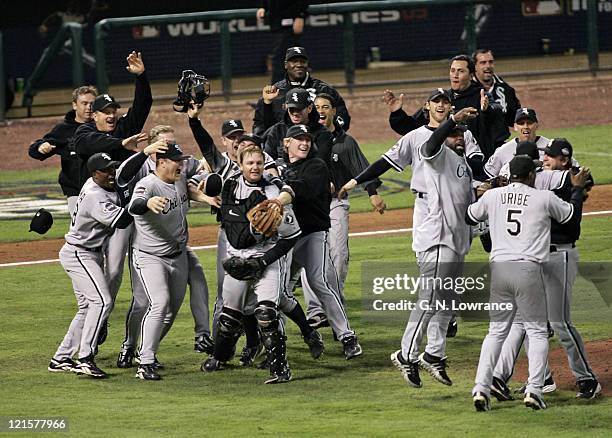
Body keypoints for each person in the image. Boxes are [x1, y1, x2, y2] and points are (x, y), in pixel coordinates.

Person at [341, 107, 479, 387]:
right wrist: (451, 121)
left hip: (457, 238)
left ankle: (434, 353)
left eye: (460, 134)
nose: (458, 138)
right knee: (430, 298)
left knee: (447, 300)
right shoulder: (436, 154)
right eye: (453, 135)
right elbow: (430, 145)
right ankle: (406, 353)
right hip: (437, 237)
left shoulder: (462, 165)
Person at [188, 105, 322, 365]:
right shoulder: (226, 176)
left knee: (270, 306)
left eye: (242, 138)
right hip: (235, 243)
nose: (254, 164)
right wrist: (193, 120)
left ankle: (287, 352)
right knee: (233, 308)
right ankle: (230, 353)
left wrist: (284, 197)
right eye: (234, 139)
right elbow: (206, 148)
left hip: (269, 253)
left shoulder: (270, 178)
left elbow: (289, 223)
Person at [466, 155, 590, 411]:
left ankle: (480, 387)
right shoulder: (542, 197)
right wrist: (576, 189)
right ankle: (534, 390)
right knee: (536, 331)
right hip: (528, 269)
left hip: (499, 269)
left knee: (496, 332)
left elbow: (469, 216)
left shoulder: (493, 196)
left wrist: (487, 192)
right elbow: (570, 216)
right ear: (531, 176)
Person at [490, 139, 601, 402]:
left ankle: (587, 379)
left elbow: (583, 184)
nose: (545, 160)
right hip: (535, 259)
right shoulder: (549, 180)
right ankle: (508, 378)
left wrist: (576, 188)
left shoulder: (565, 180)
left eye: (550, 157)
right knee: (522, 322)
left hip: (560, 255)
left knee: (560, 322)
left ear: (563, 161)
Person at [114, 125, 217, 369]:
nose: (180, 164)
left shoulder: (178, 178)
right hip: (149, 256)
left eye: (180, 159)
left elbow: (190, 185)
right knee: (153, 303)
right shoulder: (147, 182)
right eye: (174, 160)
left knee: (169, 311)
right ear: (160, 161)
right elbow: (135, 204)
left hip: (178, 254)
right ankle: (139, 356)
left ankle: (145, 352)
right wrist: (147, 202)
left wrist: (204, 196)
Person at [202, 145, 302, 383]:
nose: (255, 167)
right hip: (237, 258)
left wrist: (264, 261)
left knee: (266, 313)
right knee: (229, 317)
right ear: (241, 164)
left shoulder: (274, 193)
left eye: (259, 163)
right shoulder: (230, 186)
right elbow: (229, 224)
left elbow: (291, 235)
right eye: (250, 163)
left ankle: (280, 369)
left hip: (266, 259)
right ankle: (220, 357)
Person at [72, 51, 152, 341]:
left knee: (116, 268)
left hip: (120, 213)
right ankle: (96, 312)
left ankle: (102, 319)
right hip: (94, 216)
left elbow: (143, 106)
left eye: (114, 111)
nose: (111, 115)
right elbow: (91, 143)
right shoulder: (83, 133)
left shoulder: (123, 128)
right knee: (98, 270)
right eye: (105, 111)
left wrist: (141, 77)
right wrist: (121, 142)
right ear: (94, 115)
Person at [301, 93, 386, 328]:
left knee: (339, 254)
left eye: (325, 107)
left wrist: (373, 194)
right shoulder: (304, 140)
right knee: (311, 256)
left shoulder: (344, 142)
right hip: (309, 206)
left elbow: (362, 168)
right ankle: (315, 310)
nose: (320, 110)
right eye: (316, 107)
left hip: (335, 204)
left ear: (333, 112)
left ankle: (333, 301)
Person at [48, 152, 133, 378]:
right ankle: (85, 357)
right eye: (106, 170)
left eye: (113, 168)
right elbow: (123, 220)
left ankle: (61, 357)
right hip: (79, 254)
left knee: (87, 308)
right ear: (95, 174)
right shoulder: (95, 195)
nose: (111, 173)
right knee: (102, 301)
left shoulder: (95, 184)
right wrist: (140, 200)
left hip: (88, 253)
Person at [282, 124, 362, 359]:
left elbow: (302, 189)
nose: (304, 143)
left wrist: (281, 195)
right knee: (278, 290)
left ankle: (347, 336)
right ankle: (281, 339)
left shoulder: (317, 166)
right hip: (287, 239)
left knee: (320, 282)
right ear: (287, 143)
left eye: (307, 139)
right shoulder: (279, 167)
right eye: (299, 139)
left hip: (311, 235)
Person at [384, 55, 503, 162]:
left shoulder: (481, 97)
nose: (455, 75)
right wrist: (397, 113)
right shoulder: (442, 99)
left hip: (476, 165)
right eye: (452, 71)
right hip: (446, 165)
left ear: (471, 75)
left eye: (460, 71)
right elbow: (411, 127)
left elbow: (496, 115)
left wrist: (486, 110)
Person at [28, 85, 97, 215]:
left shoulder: (102, 126)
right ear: (75, 105)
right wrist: (41, 147)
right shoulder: (63, 130)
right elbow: (33, 150)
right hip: (75, 190)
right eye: (84, 103)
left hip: (102, 188)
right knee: (80, 229)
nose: (89, 107)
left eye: (92, 103)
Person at [253, 47, 351, 137]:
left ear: (307, 64)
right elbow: (260, 127)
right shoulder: (274, 93)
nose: (299, 65)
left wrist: (329, 137)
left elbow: (343, 118)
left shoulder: (324, 90)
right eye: (294, 61)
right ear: (286, 65)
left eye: (302, 61)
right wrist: (267, 104)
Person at [263, 87, 334, 167]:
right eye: (291, 109)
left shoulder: (323, 133)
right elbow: (267, 160)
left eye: (299, 109)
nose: (295, 113)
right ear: (286, 107)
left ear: (309, 108)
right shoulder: (277, 130)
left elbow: (320, 165)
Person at [472, 49, 521, 149]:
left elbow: (514, 118)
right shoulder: (468, 90)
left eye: (490, 62)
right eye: (483, 63)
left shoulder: (506, 89)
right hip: (475, 146)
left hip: (500, 145)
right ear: (475, 66)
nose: (488, 66)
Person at [484, 108, 550, 178]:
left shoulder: (549, 146)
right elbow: (488, 175)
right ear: (515, 127)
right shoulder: (502, 150)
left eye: (529, 123)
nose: (526, 126)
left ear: (536, 125)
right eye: (521, 123)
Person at [256, 1, 309, 83]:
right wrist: (263, 7)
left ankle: (279, 89)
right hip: (277, 21)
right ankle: (293, 89)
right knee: (286, 58)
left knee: (282, 58)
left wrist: (300, 16)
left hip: (290, 21)